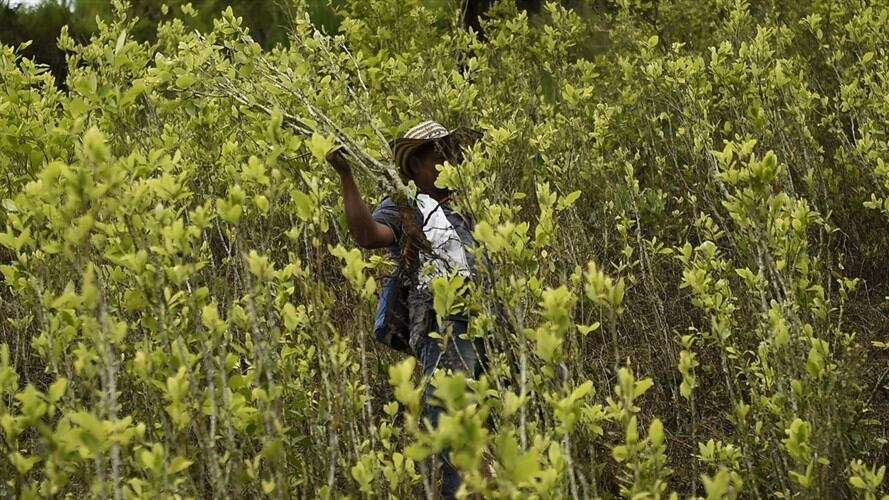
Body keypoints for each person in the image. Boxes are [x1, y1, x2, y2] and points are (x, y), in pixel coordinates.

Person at [326, 120, 485, 499]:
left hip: (485, 327)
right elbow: (367, 235)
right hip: (444, 327)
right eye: (439, 154)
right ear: (415, 166)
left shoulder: (466, 205)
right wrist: (346, 176)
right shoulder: (406, 207)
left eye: (452, 153)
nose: (449, 161)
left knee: (484, 432)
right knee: (452, 429)